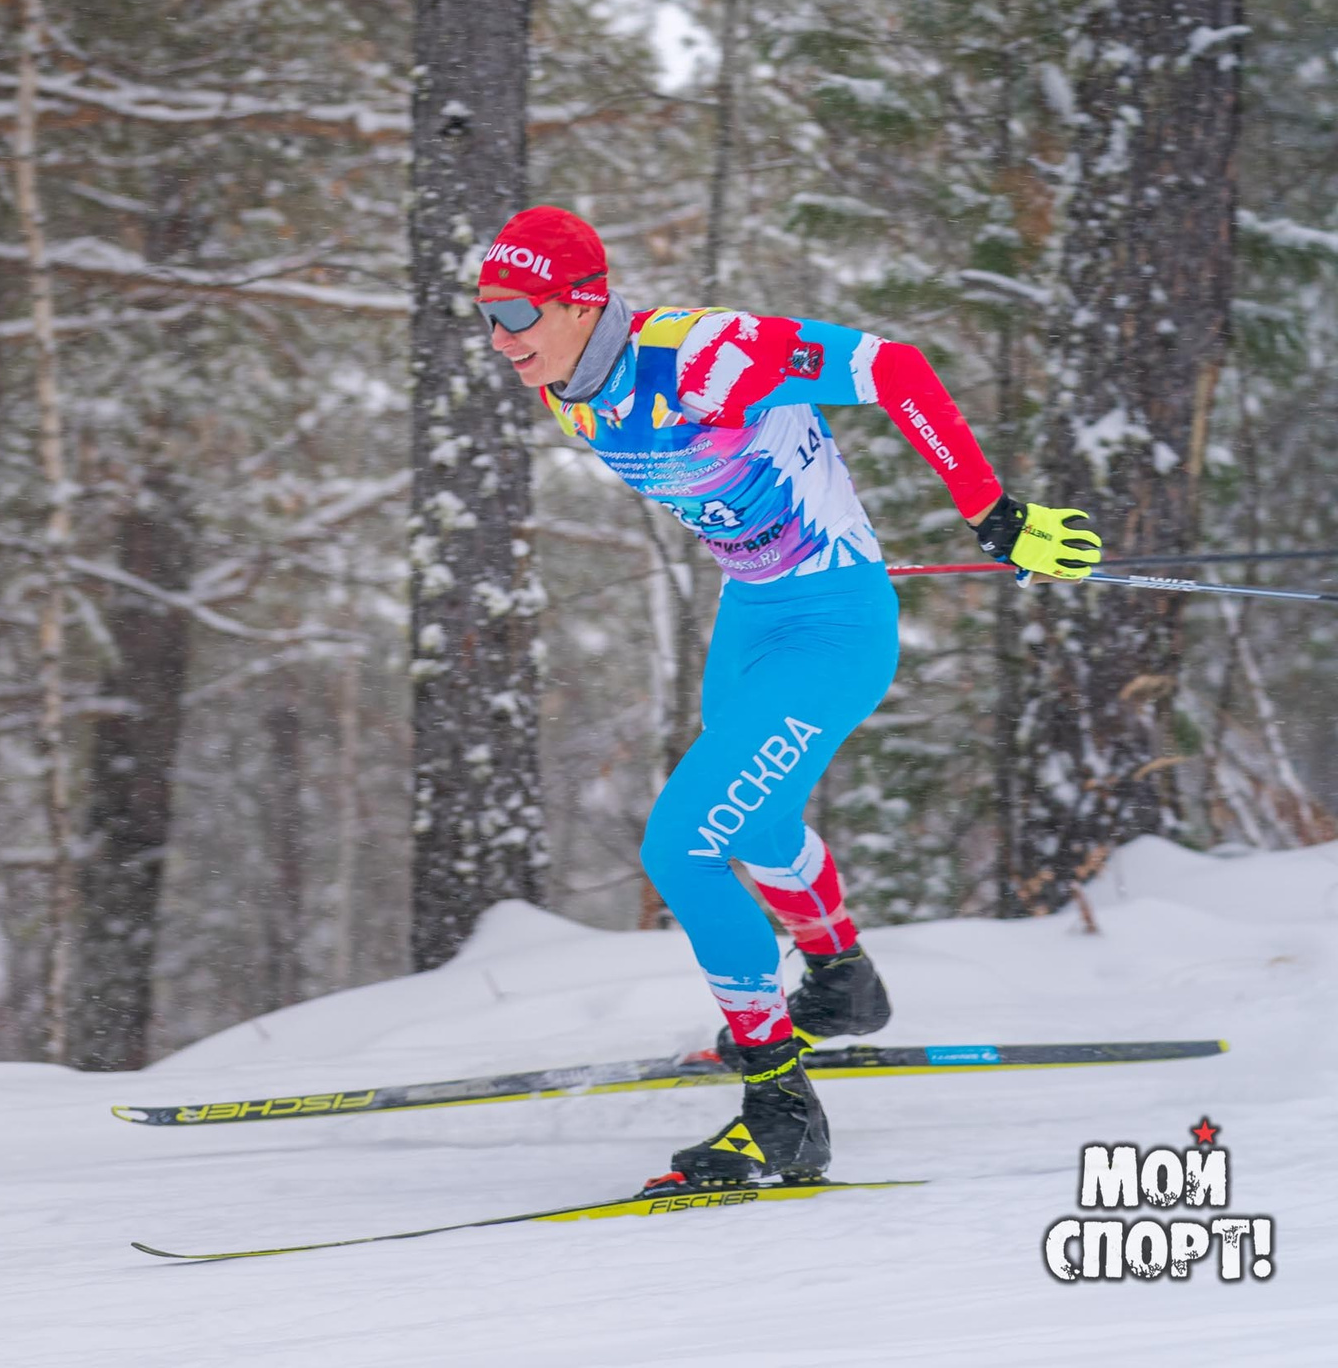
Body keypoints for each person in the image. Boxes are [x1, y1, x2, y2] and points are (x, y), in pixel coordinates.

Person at [472, 205, 1101, 1190]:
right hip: (753, 616)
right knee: (755, 823)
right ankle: (842, 981)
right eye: (486, 317)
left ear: (582, 302)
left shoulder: (707, 354)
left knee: (680, 847)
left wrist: (993, 512)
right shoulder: (567, 392)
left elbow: (893, 369)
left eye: (515, 313)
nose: (501, 340)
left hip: (833, 630)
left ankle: (780, 1109)